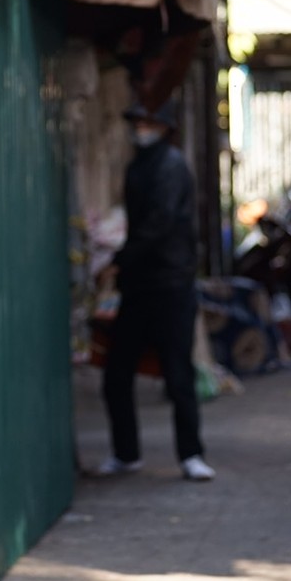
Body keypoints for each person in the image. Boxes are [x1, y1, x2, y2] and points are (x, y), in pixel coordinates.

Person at [97, 98, 214, 482]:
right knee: (118, 373)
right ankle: (126, 453)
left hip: (171, 285)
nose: (140, 127)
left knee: (178, 373)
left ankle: (191, 455)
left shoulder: (171, 166)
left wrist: (120, 258)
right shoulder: (139, 166)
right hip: (140, 286)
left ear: (163, 126)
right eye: (138, 120)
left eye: (147, 120)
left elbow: (158, 224)